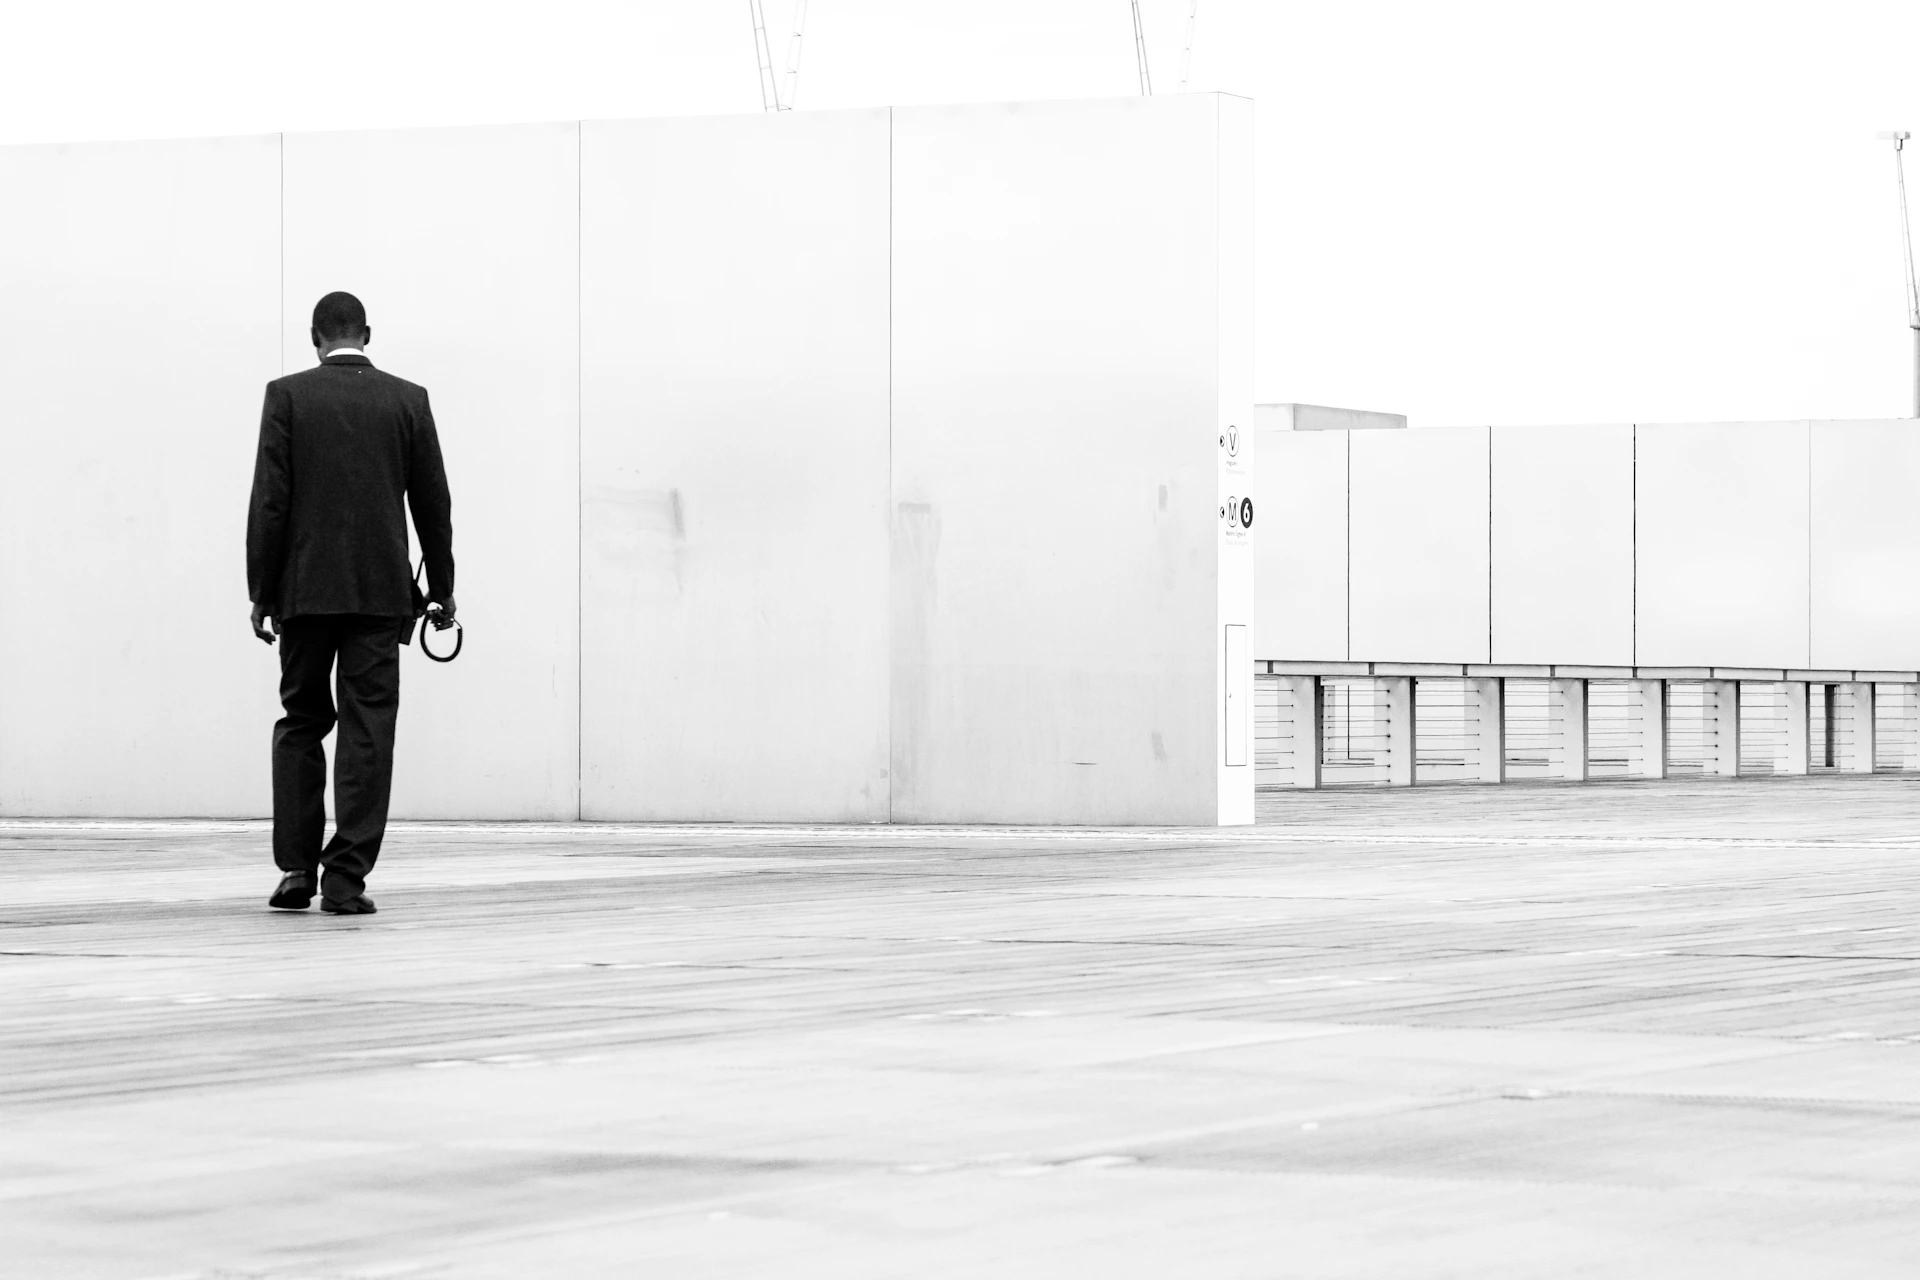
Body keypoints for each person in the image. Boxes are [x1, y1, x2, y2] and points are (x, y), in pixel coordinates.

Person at [246, 292, 455, 915]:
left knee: (302, 723)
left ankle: (293, 872)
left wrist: (261, 592)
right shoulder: (406, 399)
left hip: (304, 595)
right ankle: (345, 880)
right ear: (366, 333)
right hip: (379, 595)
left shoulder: (286, 396)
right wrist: (441, 589)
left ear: (315, 336)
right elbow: (433, 506)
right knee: (368, 729)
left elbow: (270, 503)